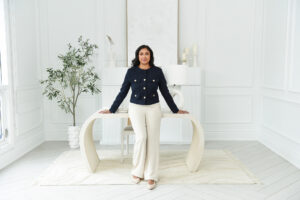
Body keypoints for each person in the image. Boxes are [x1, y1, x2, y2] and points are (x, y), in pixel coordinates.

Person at [99, 44, 189, 190]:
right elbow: (123, 92)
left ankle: (151, 175)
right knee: (141, 137)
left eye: (147, 53)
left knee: (153, 140)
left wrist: (175, 109)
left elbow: (165, 92)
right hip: (135, 108)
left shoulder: (158, 72)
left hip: (154, 108)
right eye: (141, 54)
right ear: (137, 56)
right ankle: (137, 172)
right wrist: (112, 109)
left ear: (150, 56)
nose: (144, 56)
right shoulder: (131, 72)